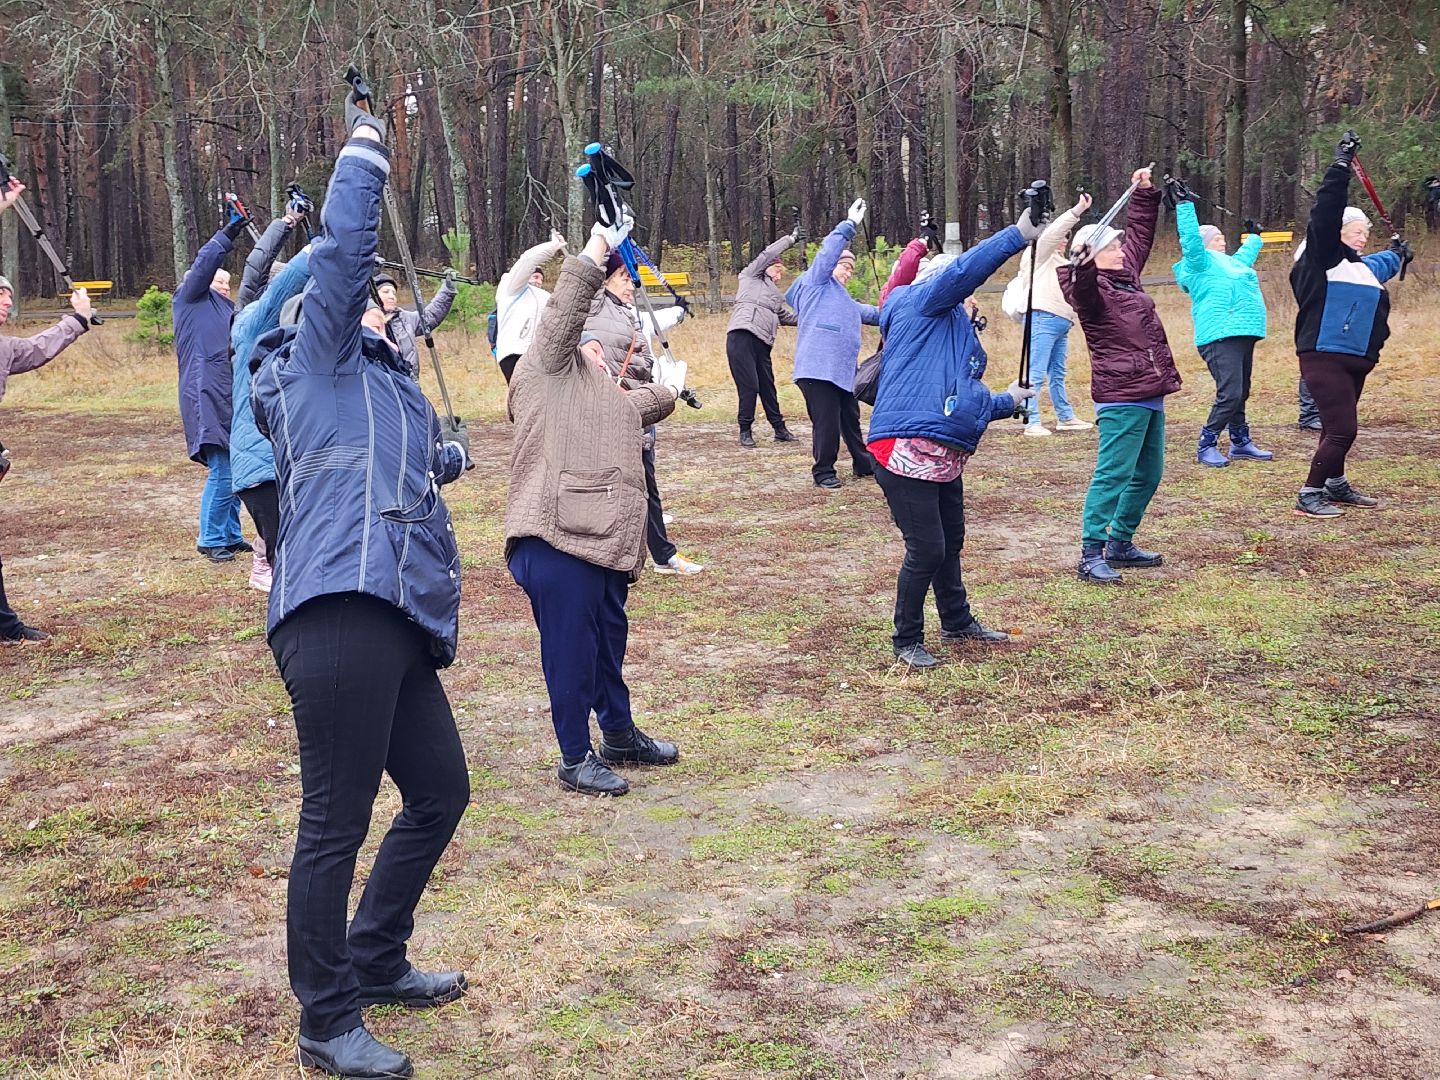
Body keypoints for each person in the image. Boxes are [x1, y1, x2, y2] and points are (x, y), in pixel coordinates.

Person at [250, 93, 472, 1080]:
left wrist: (449, 455)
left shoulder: (382, 383)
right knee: (333, 818)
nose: (383, 303)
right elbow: (340, 261)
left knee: (441, 790)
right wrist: (367, 154)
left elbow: (410, 458)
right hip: (337, 604)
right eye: (372, 298)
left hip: (396, 609)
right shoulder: (313, 361)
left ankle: (377, 956)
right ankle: (324, 1021)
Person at [505, 214, 686, 797]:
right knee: (571, 652)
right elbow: (566, 310)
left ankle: (619, 735)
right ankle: (573, 755)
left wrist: (671, 391)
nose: (598, 346)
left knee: (608, 643)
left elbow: (636, 406)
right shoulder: (545, 368)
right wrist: (598, 246)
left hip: (602, 540)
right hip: (556, 538)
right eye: (590, 338)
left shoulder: (596, 387)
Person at [867, 208, 1041, 668]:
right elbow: (965, 269)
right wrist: (1019, 234)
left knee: (951, 539)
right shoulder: (923, 302)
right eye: (969, 294)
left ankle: (957, 621)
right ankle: (906, 640)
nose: (974, 300)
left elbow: (963, 399)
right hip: (905, 446)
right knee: (926, 547)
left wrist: (1009, 398)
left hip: (942, 450)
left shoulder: (954, 334)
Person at [1058, 166, 1182, 585]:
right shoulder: (1091, 291)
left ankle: (1121, 543)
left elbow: (1141, 236)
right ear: (1094, 254)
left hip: (1150, 391)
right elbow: (1082, 287)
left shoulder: (1125, 279)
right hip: (1121, 396)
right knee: (1113, 472)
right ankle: (1091, 552)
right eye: (1113, 246)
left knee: (1149, 473)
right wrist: (1081, 265)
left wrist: (1145, 194)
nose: (1122, 250)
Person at [1289, 131, 1406, 518]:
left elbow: (1380, 266)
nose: (1364, 236)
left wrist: (1398, 255)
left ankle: (1335, 485)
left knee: (1335, 427)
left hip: (1355, 358)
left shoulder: (1359, 266)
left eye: (1366, 233)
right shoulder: (1323, 259)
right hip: (1326, 356)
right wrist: (1341, 167)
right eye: (1357, 231)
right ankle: (1309, 494)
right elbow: (1326, 211)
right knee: (1343, 430)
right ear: (1337, 233)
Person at [0, 181, 96, 645]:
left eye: (7, 296)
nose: (4, 301)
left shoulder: (3, 349)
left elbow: (38, 349)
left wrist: (76, 320)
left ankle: (4, 625)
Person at [583, 252, 702, 575]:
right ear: (606, 279)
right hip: (605, 411)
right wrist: (611, 236)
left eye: (631, 278)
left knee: (645, 485)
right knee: (607, 486)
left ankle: (664, 556)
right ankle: (597, 555)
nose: (630, 284)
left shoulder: (631, 313)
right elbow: (587, 274)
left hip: (637, 410)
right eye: (623, 276)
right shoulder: (595, 303)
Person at [1168, 181, 1272, 467]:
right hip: (1219, 334)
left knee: (1241, 391)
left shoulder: (1230, 264)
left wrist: (1254, 236)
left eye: (1223, 237)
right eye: (1216, 238)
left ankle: (1240, 442)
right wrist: (1185, 206)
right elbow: (1189, 238)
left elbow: (1245, 258)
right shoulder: (1200, 262)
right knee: (1231, 393)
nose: (1222, 240)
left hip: (1243, 331)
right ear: (1204, 246)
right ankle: (1207, 443)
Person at [230, 244, 313, 593]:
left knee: (299, 551)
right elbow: (279, 285)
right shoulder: (254, 327)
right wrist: (315, 253)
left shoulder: (284, 337)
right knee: (290, 560)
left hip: (284, 461)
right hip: (262, 464)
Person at [173, 200, 252, 563]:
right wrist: (230, 231)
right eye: (218, 281)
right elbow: (206, 263)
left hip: (229, 395)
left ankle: (231, 533)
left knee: (235, 467)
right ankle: (210, 537)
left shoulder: (228, 312)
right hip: (204, 394)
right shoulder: (190, 299)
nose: (223, 287)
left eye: (227, 284)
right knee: (222, 468)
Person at [787, 198, 881, 489]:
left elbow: (878, 315)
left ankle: (862, 462)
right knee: (826, 423)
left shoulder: (848, 302)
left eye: (852, 269)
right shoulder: (816, 284)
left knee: (850, 420)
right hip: (817, 370)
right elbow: (827, 255)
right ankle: (823, 471)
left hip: (842, 374)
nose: (848, 272)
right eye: (845, 267)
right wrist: (849, 225)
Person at [1004, 193, 1096, 436]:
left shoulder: (1062, 263)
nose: (1064, 240)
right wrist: (1076, 211)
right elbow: (1052, 233)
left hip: (1061, 322)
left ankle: (1065, 417)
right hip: (1041, 318)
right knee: (1035, 371)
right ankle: (1031, 421)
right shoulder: (1037, 255)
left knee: (1058, 374)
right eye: (1062, 236)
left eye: (1068, 237)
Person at [726, 228, 800, 446]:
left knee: (768, 386)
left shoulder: (775, 297)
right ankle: (745, 430)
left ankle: (780, 429)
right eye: (777, 271)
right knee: (749, 386)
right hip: (742, 336)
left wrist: (815, 317)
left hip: (763, 343)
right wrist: (791, 239)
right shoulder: (750, 276)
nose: (779, 277)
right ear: (767, 268)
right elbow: (768, 253)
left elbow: (788, 317)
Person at [495, 230, 567, 383]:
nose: (538, 281)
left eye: (541, 278)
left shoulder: (544, 296)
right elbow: (528, 259)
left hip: (540, 357)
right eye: (535, 276)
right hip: (515, 353)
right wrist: (552, 246)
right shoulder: (512, 287)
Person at [373, 269, 458, 382]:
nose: (391, 296)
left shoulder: (405, 318)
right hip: (379, 386)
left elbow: (430, 316)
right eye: (385, 292)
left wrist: (448, 289)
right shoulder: (362, 321)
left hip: (408, 383)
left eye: (394, 293)